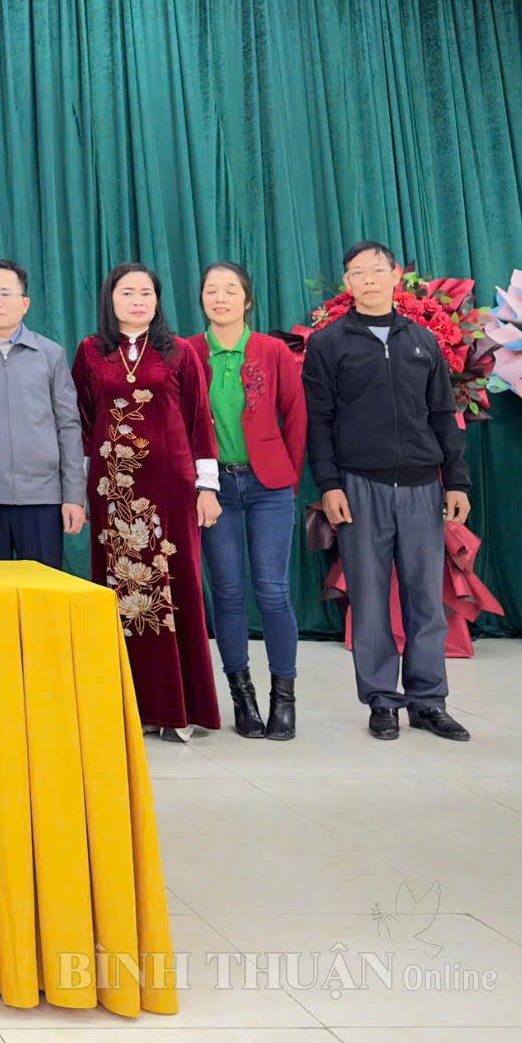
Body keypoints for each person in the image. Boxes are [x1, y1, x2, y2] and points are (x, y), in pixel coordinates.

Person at [304, 240, 472, 743]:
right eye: (358, 272)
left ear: (396, 276)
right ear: (347, 283)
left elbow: (443, 414)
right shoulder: (328, 343)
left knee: (425, 598)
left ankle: (428, 701)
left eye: (378, 270)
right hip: (359, 487)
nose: (369, 279)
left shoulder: (422, 340)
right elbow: (319, 422)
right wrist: (329, 485)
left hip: (422, 486)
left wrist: (456, 480)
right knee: (370, 599)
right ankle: (381, 700)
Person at [72, 263, 222, 739]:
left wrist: (207, 487)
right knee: (120, 593)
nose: (137, 301)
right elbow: (83, 422)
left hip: (172, 488)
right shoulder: (91, 351)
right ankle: (129, 708)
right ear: (109, 299)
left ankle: (181, 709)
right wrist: (81, 487)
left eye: (146, 293)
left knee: (177, 589)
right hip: (113, 491)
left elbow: (199, 419)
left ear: (157, 300)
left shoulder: (179, 351)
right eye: (127, 292)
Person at [183, 262, 306, 741]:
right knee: (228, 594)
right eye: (211, 290)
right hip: (213, 491)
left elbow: (296, 417)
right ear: (201, 299)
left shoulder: (272, 351)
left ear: (247, 300)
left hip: (268, 487)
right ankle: (243, 697)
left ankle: (284, 699)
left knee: (273, 592)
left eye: (230, 290)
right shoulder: (189, 352)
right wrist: (198, 485)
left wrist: (287, 479)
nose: (220, 298)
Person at [0, 260, 85, 566]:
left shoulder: (50, 354)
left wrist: (74, 495)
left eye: (5, 293)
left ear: (25, 303)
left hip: (43, 498)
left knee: (42, 589)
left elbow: (69, 427)